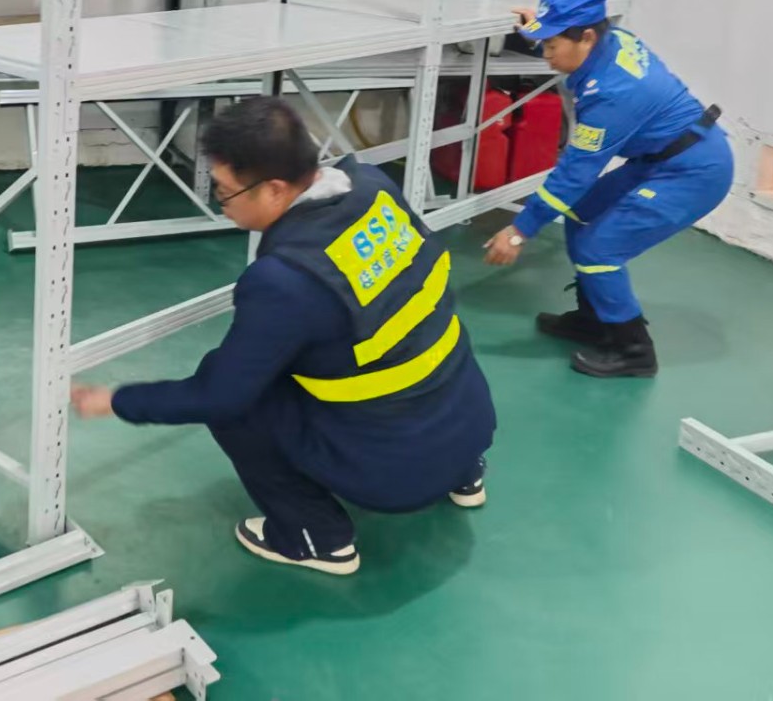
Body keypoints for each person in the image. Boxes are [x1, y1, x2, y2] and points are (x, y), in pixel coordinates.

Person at [71, 98, 496, 576]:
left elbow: (218, 397)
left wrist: (116, 400)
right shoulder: (373, 185)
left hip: (397, 472)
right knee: (414, 338)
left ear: (274, 189)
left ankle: (314, 537)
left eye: (225, 191)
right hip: (470, 425)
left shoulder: (286, 282)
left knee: (232, 394)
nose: (221, 203)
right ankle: (464, 474)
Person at [482, 0, 733, 378]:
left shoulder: (613, 94)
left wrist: (519, 231)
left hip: (694, 171)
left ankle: (633, 350)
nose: (545, 55)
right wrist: (541, 30)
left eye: (551, 45)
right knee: (580, 214)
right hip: (662, 156)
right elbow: (569, 44)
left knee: (599, 249)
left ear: (586, 37)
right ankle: (595, 319)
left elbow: (574, 175)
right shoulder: (612, 38)